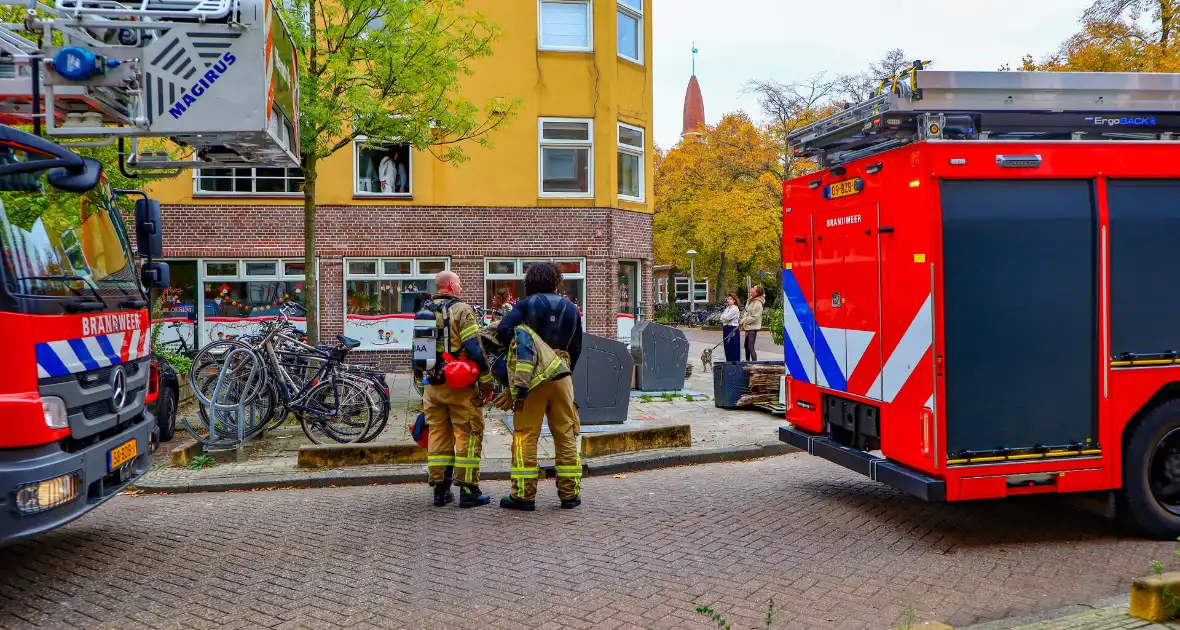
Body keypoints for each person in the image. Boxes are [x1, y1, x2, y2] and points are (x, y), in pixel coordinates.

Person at [494, 262, 584, 511]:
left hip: (531, 379)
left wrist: (518, 349)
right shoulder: (571, 308)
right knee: (565, 434)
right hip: (561, 375)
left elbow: (503, 329)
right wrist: (566, 372)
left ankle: (523, 495)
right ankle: (569, 494)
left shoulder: (525, 306)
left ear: (530, 282)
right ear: (556, 281)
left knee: (525, 435)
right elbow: (577, 347)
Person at [421, 271, 495, 508]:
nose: (461, 287)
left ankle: (440, 491)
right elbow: (474, 347)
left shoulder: (424, 311)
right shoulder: (462, 310)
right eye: (459, 283)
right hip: (459, 384)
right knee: (468, 434)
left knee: (438, 434)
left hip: (432, 385)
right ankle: (469, 490)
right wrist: (487, 381)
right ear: (451, 286)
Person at [741, 286, 765, 362]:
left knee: (750, 347)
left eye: (754, 289)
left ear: (757, 293)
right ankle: (747, 362)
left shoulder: (757, 303)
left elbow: (754, 318)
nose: (751, 289)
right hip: (748, 327)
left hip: (753, 327)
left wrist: (743, 320)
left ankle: (755, 364)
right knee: (746, 346)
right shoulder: (751, 300)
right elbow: (747, 312)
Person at [721, 293, 741, 363]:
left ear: (734, 300)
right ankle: (728, 361)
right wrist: (724, 318)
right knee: (727, 345)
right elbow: (722, 317)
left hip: (732, 328)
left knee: (733, 345)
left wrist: (724, 318)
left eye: (730, 299)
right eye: (728, 299)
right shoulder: (728, 308)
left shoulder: (734, 308)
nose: (728, 300)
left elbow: (726, 318)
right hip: (726, 328)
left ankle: (734, 362)